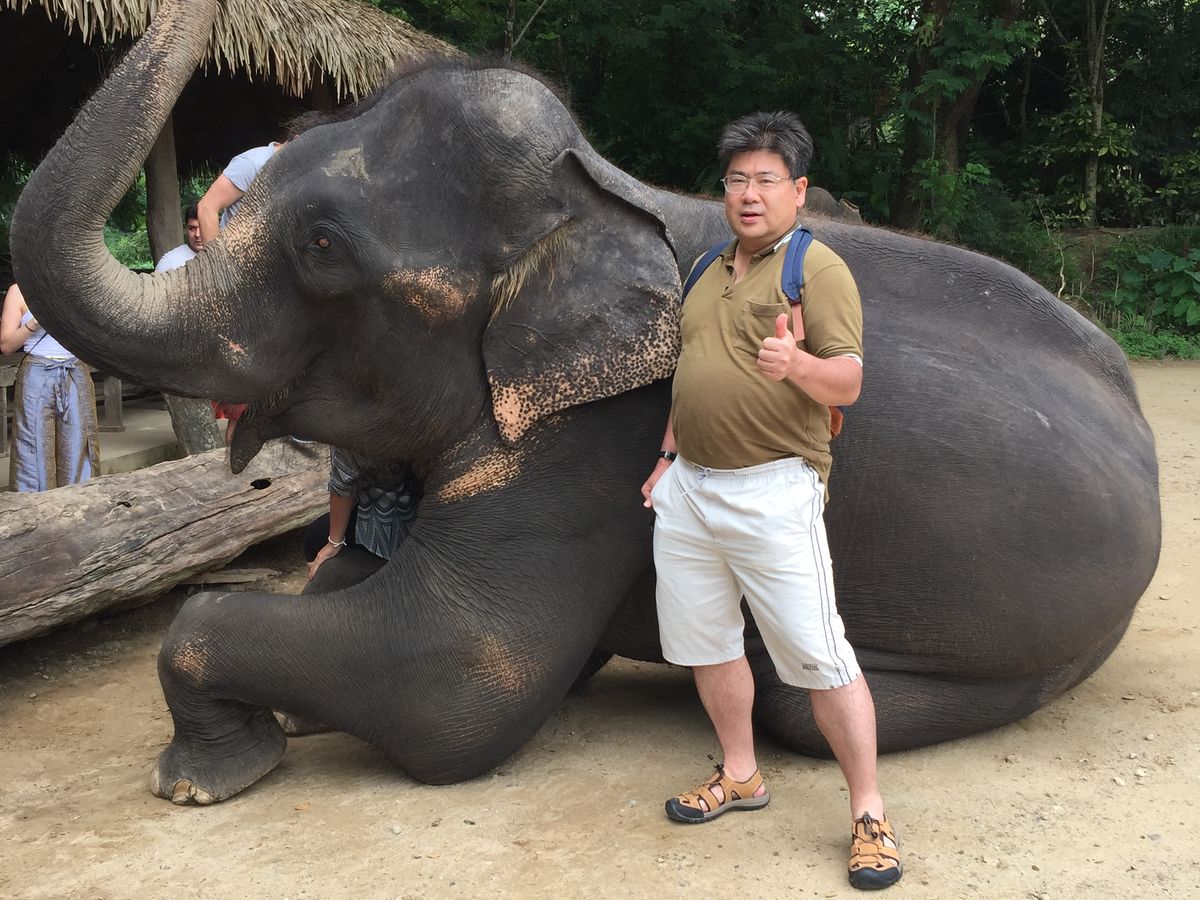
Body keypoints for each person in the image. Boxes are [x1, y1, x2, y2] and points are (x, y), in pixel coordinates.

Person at [639, 111, 901, 890]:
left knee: (821, 656)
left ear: (798, 189)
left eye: (765, 180)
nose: (749, 194)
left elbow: (848, 381)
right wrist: (667, 459)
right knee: (709, 643)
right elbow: (692, 373)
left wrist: (797, 366)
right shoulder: (705, 268)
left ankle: (869, 813)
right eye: (737, 181)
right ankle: (742, 774)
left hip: (773, 489)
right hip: (691, 490)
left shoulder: (816, 269)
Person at [1, 283, 101, 491]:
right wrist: (35, 322)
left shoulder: (75, 285)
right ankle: (33, 505)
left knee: (78, 444)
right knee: (33, 446)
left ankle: (81, 502)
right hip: (36, 373)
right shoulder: (18, 291)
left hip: (74, 371)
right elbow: (6, 346)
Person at [305, 448, 418, 580]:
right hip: (428, 522)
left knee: (314, 536)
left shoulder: (358, 438)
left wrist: (334, 542)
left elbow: (343, 484)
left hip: (385, 528)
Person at [152, 203, 204, 273]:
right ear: (185, 229)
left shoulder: (218, 258)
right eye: (192, 228)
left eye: (203, 227)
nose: (197, 234)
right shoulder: (169, 263)